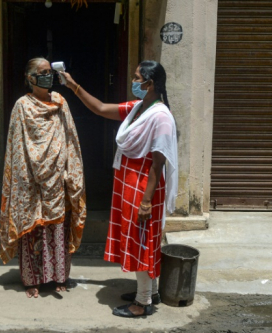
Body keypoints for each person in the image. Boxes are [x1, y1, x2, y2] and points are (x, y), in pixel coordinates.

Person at [61, 60, 178, 317]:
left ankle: (143, 302)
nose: (133, 82)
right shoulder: (138, 109)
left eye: (137, 78)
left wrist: (146, 202)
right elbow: (102, 108)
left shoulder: (160, 117)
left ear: (149, 84)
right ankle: (151, 290)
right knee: (138, 238)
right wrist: (73, 87)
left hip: (144, 188)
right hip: (129, 184)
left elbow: (158, 164)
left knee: (141, 241)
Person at [0, 57, 87, 298]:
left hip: (58, 177)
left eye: (50, 71)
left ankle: (60, 276)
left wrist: (71, 171)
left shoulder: (60, 102)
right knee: (33, 228)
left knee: (58, 226)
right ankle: (32, 279)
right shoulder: (22, 106)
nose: (48, 75)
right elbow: (17, 146)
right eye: (42, 72)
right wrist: (24, 178)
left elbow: (69, 138)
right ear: (30, 78)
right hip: (30, 180)